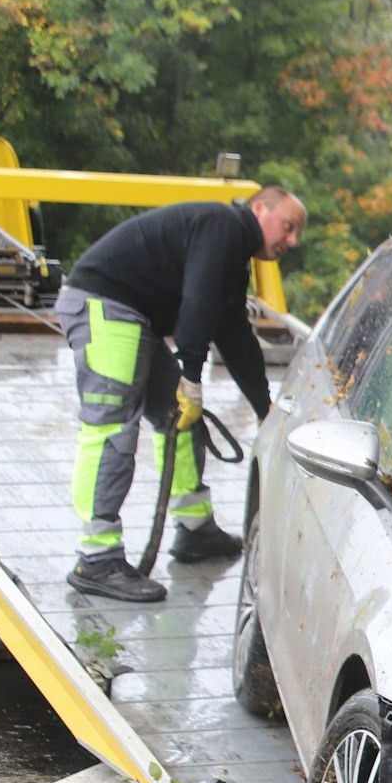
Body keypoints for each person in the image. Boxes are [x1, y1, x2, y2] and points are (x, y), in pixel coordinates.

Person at [59, 185, 307, 602]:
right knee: (112, 431)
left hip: (133, 318)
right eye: (288, 226)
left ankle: (195, 530)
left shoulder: (231, 251)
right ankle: (96, 559)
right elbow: (199, 299)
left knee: (181, 418)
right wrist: (190, 371)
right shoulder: (224, 226)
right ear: (260, 208)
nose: (293, 240)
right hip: (106, 307)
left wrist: (265, 408)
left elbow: (233, 332)